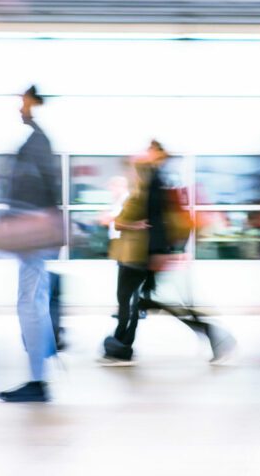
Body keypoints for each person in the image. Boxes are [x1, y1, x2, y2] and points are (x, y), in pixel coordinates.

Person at [100, 141, 235, 366]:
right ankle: (121, 347)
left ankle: (121, 347)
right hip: (146, 254)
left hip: (140, 255)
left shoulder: (149, 185)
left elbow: (149, 221)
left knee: (138, 302)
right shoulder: (151, 182)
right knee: (141, 302)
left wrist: (154, 249)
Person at [0, 85, 60, 403]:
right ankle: (43, 367)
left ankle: (39, 379)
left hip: (33, 236)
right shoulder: (37, 142)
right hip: (34, 234)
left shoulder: (38, 142)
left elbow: (41, 187)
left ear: (35, 103)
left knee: (30, 303)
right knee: (35, 301)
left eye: (23, 101)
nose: (20, 107)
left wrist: (19, 222)